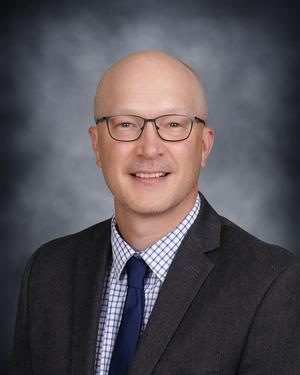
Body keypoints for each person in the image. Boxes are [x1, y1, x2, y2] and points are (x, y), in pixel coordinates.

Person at [11, 51, 300, 375]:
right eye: (125, 124)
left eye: (173, 124)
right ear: (97, 146)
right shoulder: (47, 270)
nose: (149, 148)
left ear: (204, 146)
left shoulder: (273, 281)